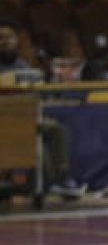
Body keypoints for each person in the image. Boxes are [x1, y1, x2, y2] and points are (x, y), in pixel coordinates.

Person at [0, 20, 83, 198]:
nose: (5, 41)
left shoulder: (22, 66)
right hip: (3, 120)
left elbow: (37, 91)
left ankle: (60, 178)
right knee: (35, 138)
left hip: (26, 117)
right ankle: (48, 183)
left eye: (9, 37)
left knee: (53, 128)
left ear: (16, 40)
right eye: (1, 38)